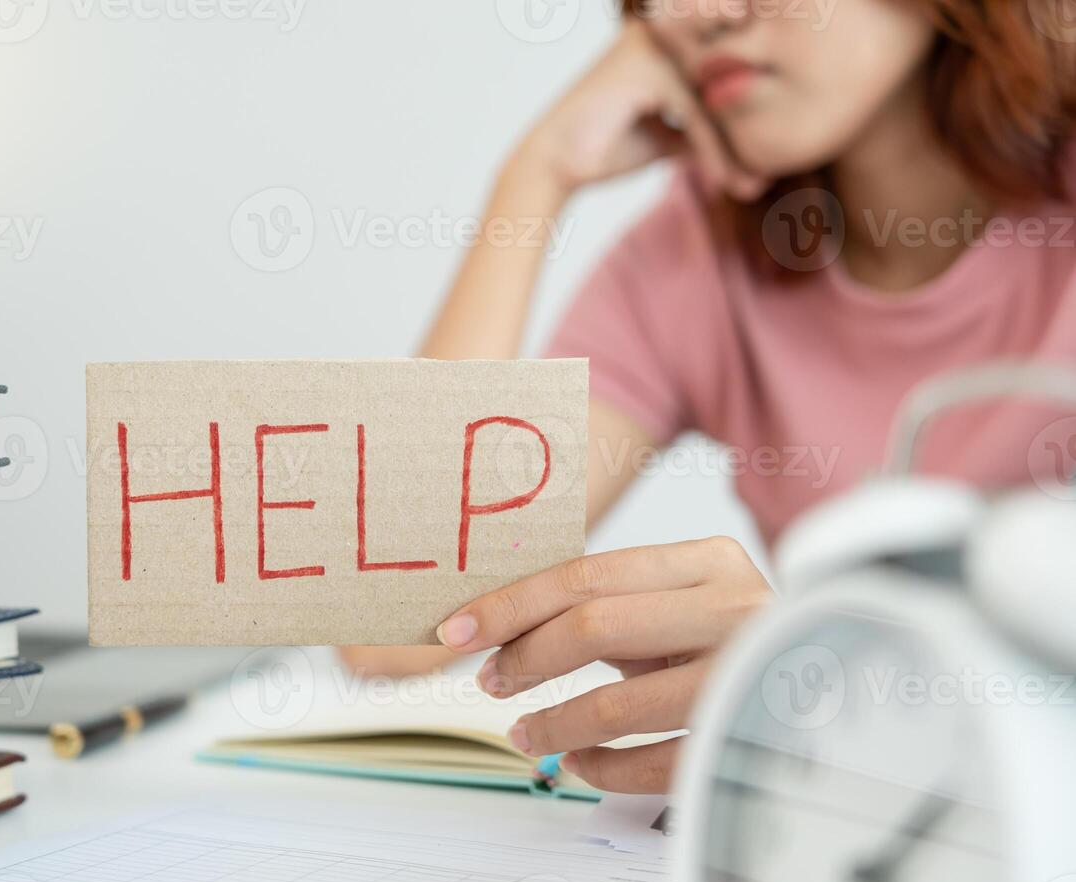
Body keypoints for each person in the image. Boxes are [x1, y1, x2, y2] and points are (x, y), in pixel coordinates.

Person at [342, 0, 1076, 793]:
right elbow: (392, 628)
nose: (697, 14)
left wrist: (820, 673)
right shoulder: (699, 255)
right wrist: (538, 173)